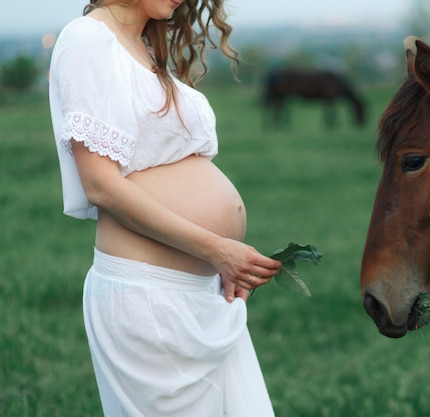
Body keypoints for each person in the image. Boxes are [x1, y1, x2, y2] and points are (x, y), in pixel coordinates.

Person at [48, 0, 283, 415]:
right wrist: (216, 249)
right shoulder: (86, 39)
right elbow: (100, 185)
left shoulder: (142, 47)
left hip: (200, 291)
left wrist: (224, 261)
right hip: (148, 298)